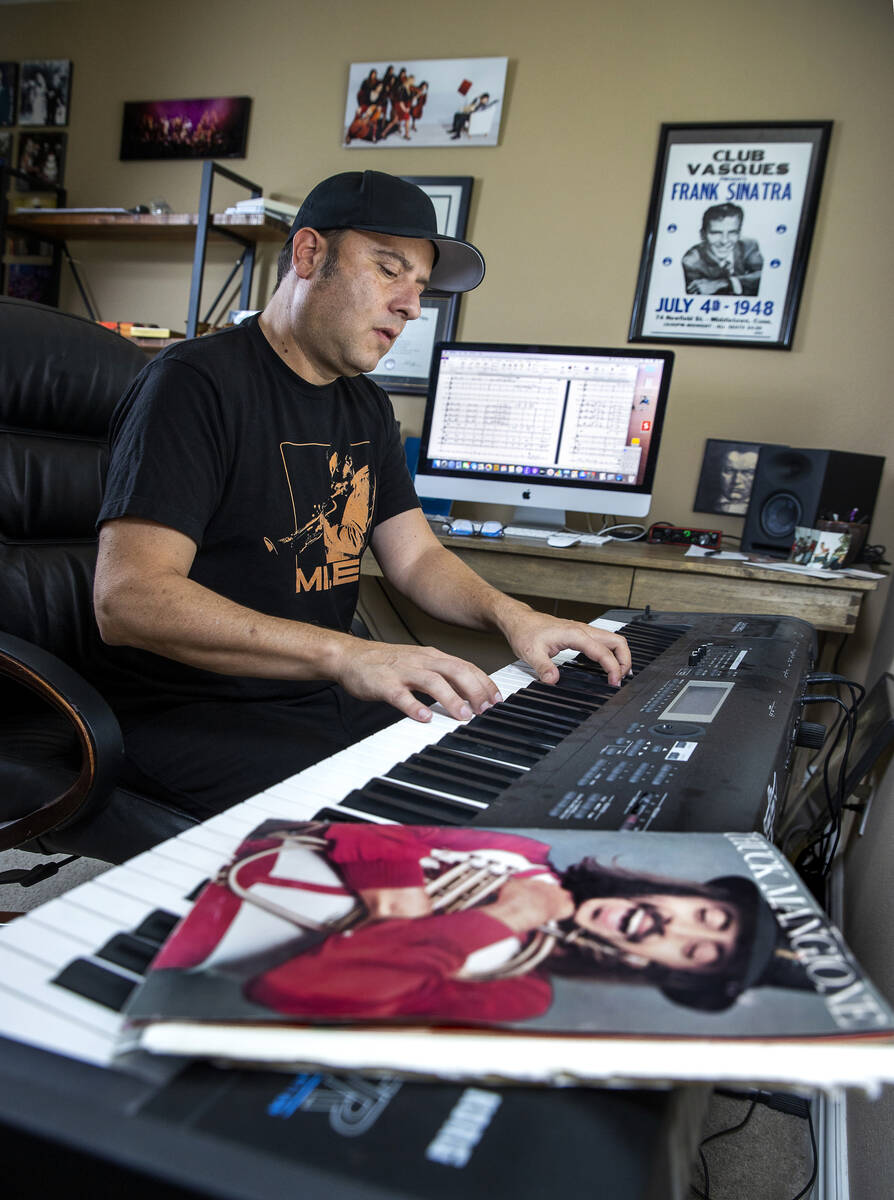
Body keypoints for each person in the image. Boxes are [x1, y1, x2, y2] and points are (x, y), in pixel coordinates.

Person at [93, 170, 631, 821]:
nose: (411, 306)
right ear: (309, 254)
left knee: (492, 786)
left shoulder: (368, 408)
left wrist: (513, 616)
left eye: (421, 288)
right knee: (383, 849)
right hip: (195, 717)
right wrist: (351, 653)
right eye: (388, 270)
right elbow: (127, 598)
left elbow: (416, 560)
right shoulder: (193, 384)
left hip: (321, 698)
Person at [152, 822, 783, 1022]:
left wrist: (509, 917)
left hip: (177, 934)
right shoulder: (522, 853)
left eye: (696, 952)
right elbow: (367, 833)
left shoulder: (520, 992)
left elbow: (294, 989)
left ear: (661, 968)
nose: (668, 927)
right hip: (222, 846)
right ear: (669, 892)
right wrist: (400, 907)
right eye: (703, 916)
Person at [682, 203, 763, 296]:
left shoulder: (749, 245)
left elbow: (764, 276)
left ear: (739, 234)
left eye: (732, 232)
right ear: (702, 235)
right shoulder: (692, 262)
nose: (724, 241)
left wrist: (725, 283)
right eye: (716, 233)